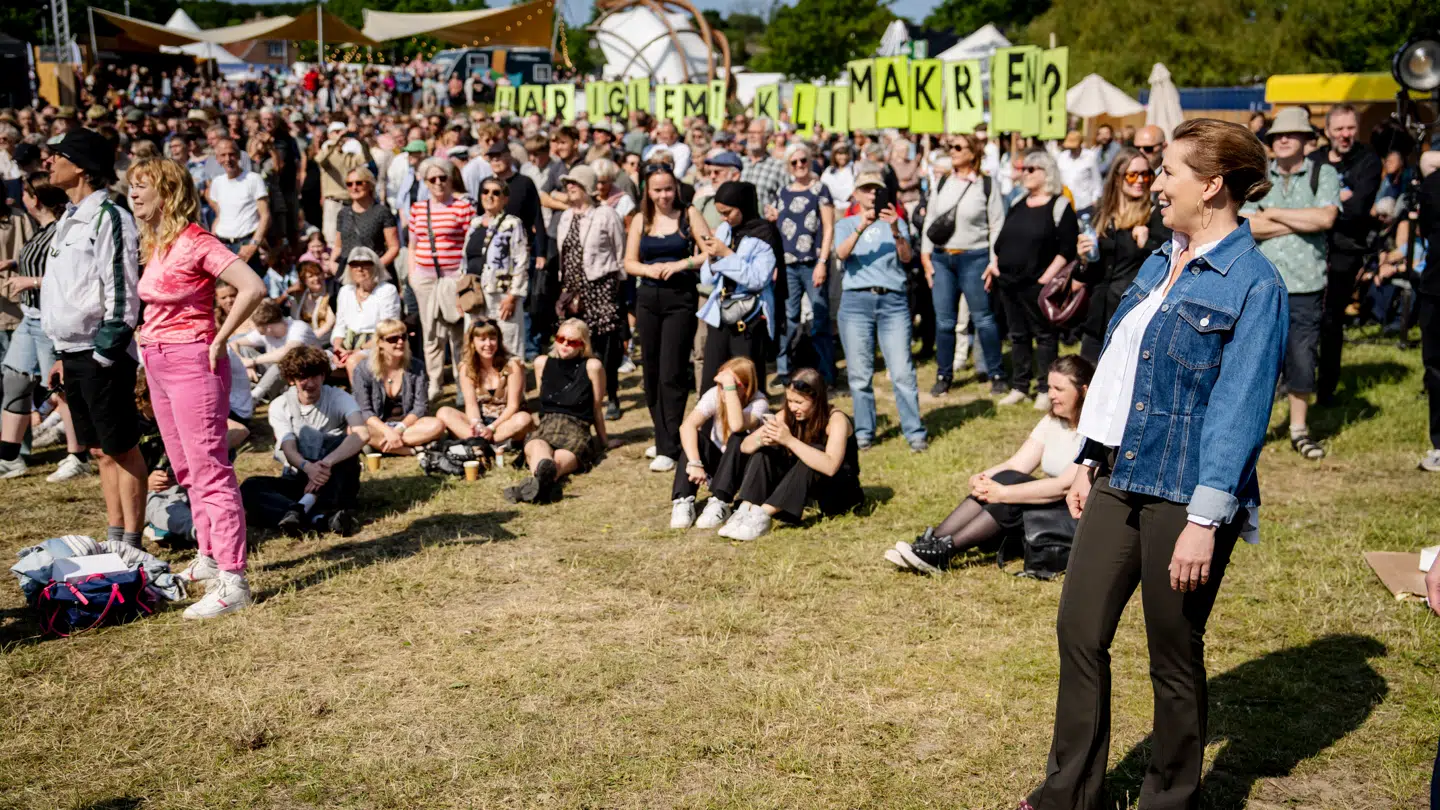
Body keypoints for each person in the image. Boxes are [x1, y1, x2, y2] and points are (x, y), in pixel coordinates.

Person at [1021, 119, 1286, 810]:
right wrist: (1086, 456)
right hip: (1116, 473)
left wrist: (1206, 517)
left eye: (1168, 171)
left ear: (1213, 183)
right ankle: (1070, 792)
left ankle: (1171, 798)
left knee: (1172, 653)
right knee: (1078, 630)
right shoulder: (1155, 259)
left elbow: (1240, 408)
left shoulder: (1254, 283)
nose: (1155, 183)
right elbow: (1114, 368)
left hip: (1185, 492)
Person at [127, 155, 267, 619]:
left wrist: (222, 336)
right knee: (186, 469)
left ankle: (233, 579)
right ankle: (207, 559)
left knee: (210, 470)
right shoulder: (157, 244)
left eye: (142, 185)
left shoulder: (196, 241)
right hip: (159, 363)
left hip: (194, 361)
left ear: (168, 192)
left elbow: (251, 286)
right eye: (131, 185)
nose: (133, 193)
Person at [39, 129, 150, 549]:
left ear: (81, 166)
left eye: (58, 156)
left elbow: (121, 291)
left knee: (121, 447)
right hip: (74, 353)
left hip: (102, 353)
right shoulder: (70, 217)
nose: (50, 163)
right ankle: (115, 534)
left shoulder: (110, 217)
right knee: (100, 450)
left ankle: (133, 541)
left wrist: (105, 351)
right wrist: (61, 354)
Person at [889, 356, 1092, 574]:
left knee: (1009, 488)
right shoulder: (1053, 421)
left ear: (1083, 390)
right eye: (1049, 387)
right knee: (1006, 477)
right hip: (1049, 500)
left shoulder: (1095, 434)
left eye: (1059, 389)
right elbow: (1016, 464)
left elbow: (1063, 486)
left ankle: (945, 550)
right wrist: (983, 477)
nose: (1051, 395)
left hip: (1074, 512)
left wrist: (1003, 493)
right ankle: (934, 541)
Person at [1244, 106, 1341, 461]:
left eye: (1291, 134)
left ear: (1306, 140)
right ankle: (1253, 430)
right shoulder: (1258, 176)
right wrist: (1301, 220)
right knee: (1257, 359)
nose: (1282, 139)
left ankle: (1299, 429)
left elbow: (1326, 217)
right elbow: (1245, 225)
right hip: (1260, 281)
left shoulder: (1323, 173)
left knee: (1302, 357)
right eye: (1276, 135)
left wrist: (1274, 215)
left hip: (1305, 283)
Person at [0, 176, 89, 482]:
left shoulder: (61, 231)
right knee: (14, 380)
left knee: (59, 388)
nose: (20, 199)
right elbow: (39, 262)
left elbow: (71, 277)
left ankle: (78, 457)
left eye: (24, 194)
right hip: (29, 318)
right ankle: (10, 458)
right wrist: (14, 263)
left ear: (35, 199)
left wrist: (31, 281)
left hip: (48, 321)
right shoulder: (42, 231)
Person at [834, 171, 927, 452]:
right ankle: (864, 432)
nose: (872, 194)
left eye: (877, 190)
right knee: (860, 374)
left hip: (892, 301)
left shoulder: (896, 223)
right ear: (856, 194)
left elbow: (907, 257)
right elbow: (841, 254)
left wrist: (897, 230)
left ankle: (914, 432)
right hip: (856, 302)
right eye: (866, 189)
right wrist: (861, 226)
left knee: (902, 372)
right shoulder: (846, 223)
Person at [624, 164, 709, 473]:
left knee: (671, 373)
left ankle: (670, 446)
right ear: (648, 190)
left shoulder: (689, 214)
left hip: (680, 298)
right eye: (657, 190)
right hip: (649, 298)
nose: (663, 195)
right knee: (651, 373)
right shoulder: (640, 219)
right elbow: (630, 262)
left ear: (676, 188)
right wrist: (649, 269)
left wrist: (681, 263)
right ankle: (663, 436)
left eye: (668, 189)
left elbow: (708, 250)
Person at [714, 369, 863, 541]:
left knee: (815, 453)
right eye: (790, 400)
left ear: (817, 399)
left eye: (799, 402)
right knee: (765, 452)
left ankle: (762, 516)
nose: (793, 407)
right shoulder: (789, 413)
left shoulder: (836, 420)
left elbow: (830, 467)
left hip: (839, 493)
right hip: (808, 490)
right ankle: (746, 510)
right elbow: (745, 446)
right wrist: (763, 439)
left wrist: (789, 440)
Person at [241, 345, 368, 537]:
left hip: (333, 476)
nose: (310, 383)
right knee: (250, 487)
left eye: (315, 375)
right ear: (292, 379)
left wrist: (326, 464)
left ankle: (299, 511)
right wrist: (308, 467)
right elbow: (288, 446)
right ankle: (319, 518)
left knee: (339, 443)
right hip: (300, 475)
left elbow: (361, 433)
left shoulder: (339, 397)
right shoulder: (280, 405)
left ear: (323, 376)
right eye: (302, 377)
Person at [988, 150, 1078, 410]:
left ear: (1046, 172)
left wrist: (1045, 278)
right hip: (1009, 282)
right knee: (1017, 335)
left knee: (1044, 336)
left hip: (1037, 285)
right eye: (1023, 169)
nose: (1024, 173)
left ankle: (1044, 388)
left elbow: (1067, 248)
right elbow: (1003, 239)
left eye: (1031, 169)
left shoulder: (1059, 205)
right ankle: (1020, 385)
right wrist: (995, 264)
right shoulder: (1018, 202)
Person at [921, 134, 1007, 397]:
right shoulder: (944, 180)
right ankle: (943, 375)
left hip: (975, 258)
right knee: (945, 321)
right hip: (942, 259)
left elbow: (997, 225)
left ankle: (996, 373)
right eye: (950, 147)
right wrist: (926, 257)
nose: (952, 151)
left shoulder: (987, 184)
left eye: (958, 147)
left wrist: (993, 262)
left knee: (983, 319)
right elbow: (931, 219)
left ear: (974, 153)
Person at [1310, 104, 1383, 405]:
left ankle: (1326, 387)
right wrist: (1337, 198)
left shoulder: (1367, 161)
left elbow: (1357, 211)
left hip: (1344, 249)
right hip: (1308, 246)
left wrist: (1324, 206)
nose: (1345, 134)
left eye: (1350, 128)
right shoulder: (1312, 160)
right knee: (1300, 317)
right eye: (1339, 128)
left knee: (1330, 319)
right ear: (1327, 131)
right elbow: (1302, 203)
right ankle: (1295, 379)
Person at [1078, 147, 1170, 363]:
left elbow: (1170, 261)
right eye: (1132, 174)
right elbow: (1089, 274)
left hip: (1131, 315)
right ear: (1117, 178)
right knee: (1087, 384)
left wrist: (1149, 244)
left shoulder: (1155, 215)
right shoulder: (1100, 215)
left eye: (1146, 174)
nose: (1140, 180)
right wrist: (1082, 258)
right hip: (1097, 316)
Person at [506, 318, 607, 504]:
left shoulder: (593, 366)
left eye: (572, 342)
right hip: (547, 425)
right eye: (561, 339)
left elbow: (597, 408)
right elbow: (543, 402)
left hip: (576, 427)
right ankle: (544, 486)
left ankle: (530, 488)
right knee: (538, 448)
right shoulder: (542, 362)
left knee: (557, 461)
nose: (565, 345)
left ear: (582, 345)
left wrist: (604, 442)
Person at [555, 165, 628, 421]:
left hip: (601, 287)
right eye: (567, 184)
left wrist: (618, 286)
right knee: (574, 343)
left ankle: (612, 396)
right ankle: (580, 395)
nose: (570, 187)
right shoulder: (566, 216)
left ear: (587, 186)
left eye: (575, 183)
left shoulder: (605, 214)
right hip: (572, 289)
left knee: (605, 347)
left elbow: (620, 253)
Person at [697, 181, 781, 392]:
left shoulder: (764, 232)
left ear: (743, 206)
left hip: (750, 318)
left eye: (728, 212)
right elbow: (707, 278)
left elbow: (757, 279)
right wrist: (713, 258)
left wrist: (726, 254)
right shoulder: (726, 229)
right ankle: (710, 425)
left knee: (745, 381)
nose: (724, 218)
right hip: (720, 312)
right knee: (712, 379)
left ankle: (747, 424)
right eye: (720, 213)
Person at [669, 356, 768, 530]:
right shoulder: (715, 394)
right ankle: (683, 500)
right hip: (718, 464)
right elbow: (687, 426)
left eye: (731, 385)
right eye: (721, 384)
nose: (722, 390)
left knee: (739, 436)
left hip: (741, 469)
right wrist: (695, 463)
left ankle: (720, 501)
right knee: (694, 437)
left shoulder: (759, 403)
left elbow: (737, 425)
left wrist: (728, 389)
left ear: (746, 387)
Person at [407, 157, 473, 399]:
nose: (437, 183)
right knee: (432, 332)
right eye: (432, 179)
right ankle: (434, 381)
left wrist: (464, 280)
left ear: (450, 178)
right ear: (425, 182)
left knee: (458, 332)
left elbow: (470, 244)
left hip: (453, 277)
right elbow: (412, 244)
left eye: (442, 177)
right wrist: (413, 275)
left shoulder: (462, 207)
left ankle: (462, 383)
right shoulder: (418, 208)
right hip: (425, 278)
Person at [773, 143, 836, 385]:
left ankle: (826, 373)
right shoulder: (783, 192)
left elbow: (828, 226)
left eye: (803, 160)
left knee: (820, 317)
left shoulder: (820, 189)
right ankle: (784, 370)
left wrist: (822, 261)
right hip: (788, 263)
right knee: (789, 317)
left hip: (813, 261)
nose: (799, 165)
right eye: (794, 162)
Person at [432, 319, 533, 447]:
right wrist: (477, 424)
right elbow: (471, 405)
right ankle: (485, 441)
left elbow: (513, 406)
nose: (488, 344)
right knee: (443, 412)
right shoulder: (466, 368)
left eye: (492, 338)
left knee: (524, 419)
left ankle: (480, 442)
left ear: (499, 340)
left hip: (506, 421)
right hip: (481, 419)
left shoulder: (513, 365)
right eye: (482, 339)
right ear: (472, 342)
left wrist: (491, 428)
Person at [352, 318, 446, 455]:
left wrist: (398, 430)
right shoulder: (363, 369)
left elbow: (421, 407)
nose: (400, 342)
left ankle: (382, 446)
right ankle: (411, 450)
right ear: (380, 343)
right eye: (393, 339)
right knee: (354, 429)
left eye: (403, 337)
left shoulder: (417, 366)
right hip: (378, 425)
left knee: (437, 425)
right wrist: (387, 431)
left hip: (408, 425)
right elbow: (364, 410)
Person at [463, 176, 530, 358]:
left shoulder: (512, 224)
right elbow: (465, 259)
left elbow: (521, 260)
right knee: (476, 341)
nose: (489, 196)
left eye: (496, 192)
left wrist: (513, 295)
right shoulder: (474, 223)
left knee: (508, 340)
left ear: (505, 198)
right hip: (474, 293)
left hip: (501, 293)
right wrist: (460, 292)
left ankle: (513, 383)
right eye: (485, 192)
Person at [230, 299, 323, 403]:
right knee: (245, 349)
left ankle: (253, 398)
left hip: (303, 376)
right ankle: (253, 389)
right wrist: (244, 362)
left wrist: (252, 361)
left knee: (282, 364)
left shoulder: (298, 328)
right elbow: (234, 343)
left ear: (268, 328)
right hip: (277, 376)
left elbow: (286, 353)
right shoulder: (265, 331)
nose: (253, 328)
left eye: (256, 326)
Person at [331, 246, 403, 379]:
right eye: (354, 264)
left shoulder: (387, 290)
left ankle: (358, 399)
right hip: (348, 343)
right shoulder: (345, 291)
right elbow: (340, 325)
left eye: (365, 264)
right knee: (316, 360)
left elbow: (388, 331)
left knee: (353, 362)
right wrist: (337, 348)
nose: (360, 268)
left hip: (377, 344)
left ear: (375, 267)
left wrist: (358, 349)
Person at [206, 138, 270, 274]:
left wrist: (253, 244)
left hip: (245, 245)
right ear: (217, 159)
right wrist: (213, 240)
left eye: (231, 154)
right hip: (222, 246)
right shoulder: (217, 183)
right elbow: (220, 215)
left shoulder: (253, 179)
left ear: (239, 156)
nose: (228, 159)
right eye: (223, 155)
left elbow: (265, 216)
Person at [333, 167, 399, 277]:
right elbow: (338, 246)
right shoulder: (343, 213)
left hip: (374, 272)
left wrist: (376, 267)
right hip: (347, 271)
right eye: (349, 184)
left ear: (369, 185)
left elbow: (394, 247)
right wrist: (332, 262)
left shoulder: (381, 212)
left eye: (359, 183)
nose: (354, 187)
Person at [1055, 130, 1103, 216]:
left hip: (1085, 204)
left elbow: (1097, 180)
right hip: (1066, 203)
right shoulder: (1062, 157)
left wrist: (1095, 199)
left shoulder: (1090, 156)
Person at [291, 259, 336, 345]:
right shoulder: (300, 298)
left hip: (326, 342)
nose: (316, 278)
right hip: (305, 341)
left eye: (318, 274)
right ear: (304, 280)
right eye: (311, 276)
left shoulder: (331, 295)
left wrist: (309, 339)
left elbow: (329, 324)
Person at [820, 142, 856, 210]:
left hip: (850, 208)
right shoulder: (828, 171)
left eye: (845, 154)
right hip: (834, 208)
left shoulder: (854, 168)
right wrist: (846, 196)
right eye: (839, 154)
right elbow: (826, 187)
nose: (843, 157)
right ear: (834, 155)